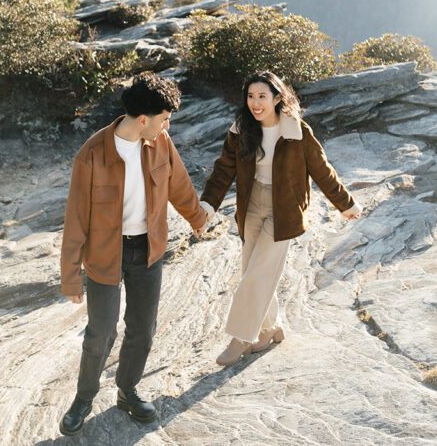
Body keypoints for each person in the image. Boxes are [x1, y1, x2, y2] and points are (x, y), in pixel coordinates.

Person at [58, 73, 212, 437]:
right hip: (104, 255)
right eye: (164, 118)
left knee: (142, 329)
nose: (167, 125)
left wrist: (197, 218)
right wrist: (70, 275)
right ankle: (84, 398)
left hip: (148, 249)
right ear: (143, 119)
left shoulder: (161, 143)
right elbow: (76, 218)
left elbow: (179, 184)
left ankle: (127, 392)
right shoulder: (92, 154)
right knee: (101, 332)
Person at [199, 71, 361, 366]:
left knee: (257, 274)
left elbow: (322, 170)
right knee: (253, 270)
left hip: (284, 208)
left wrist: (345, 203)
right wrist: (207, 206)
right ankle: (270, 329)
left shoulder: (296, 131)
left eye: (262, 96)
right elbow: (224, 169)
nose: (255, 103)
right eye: (250, 96)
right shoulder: (241, 129)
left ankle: (240, 339)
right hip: (251, 205)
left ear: (277, 98)